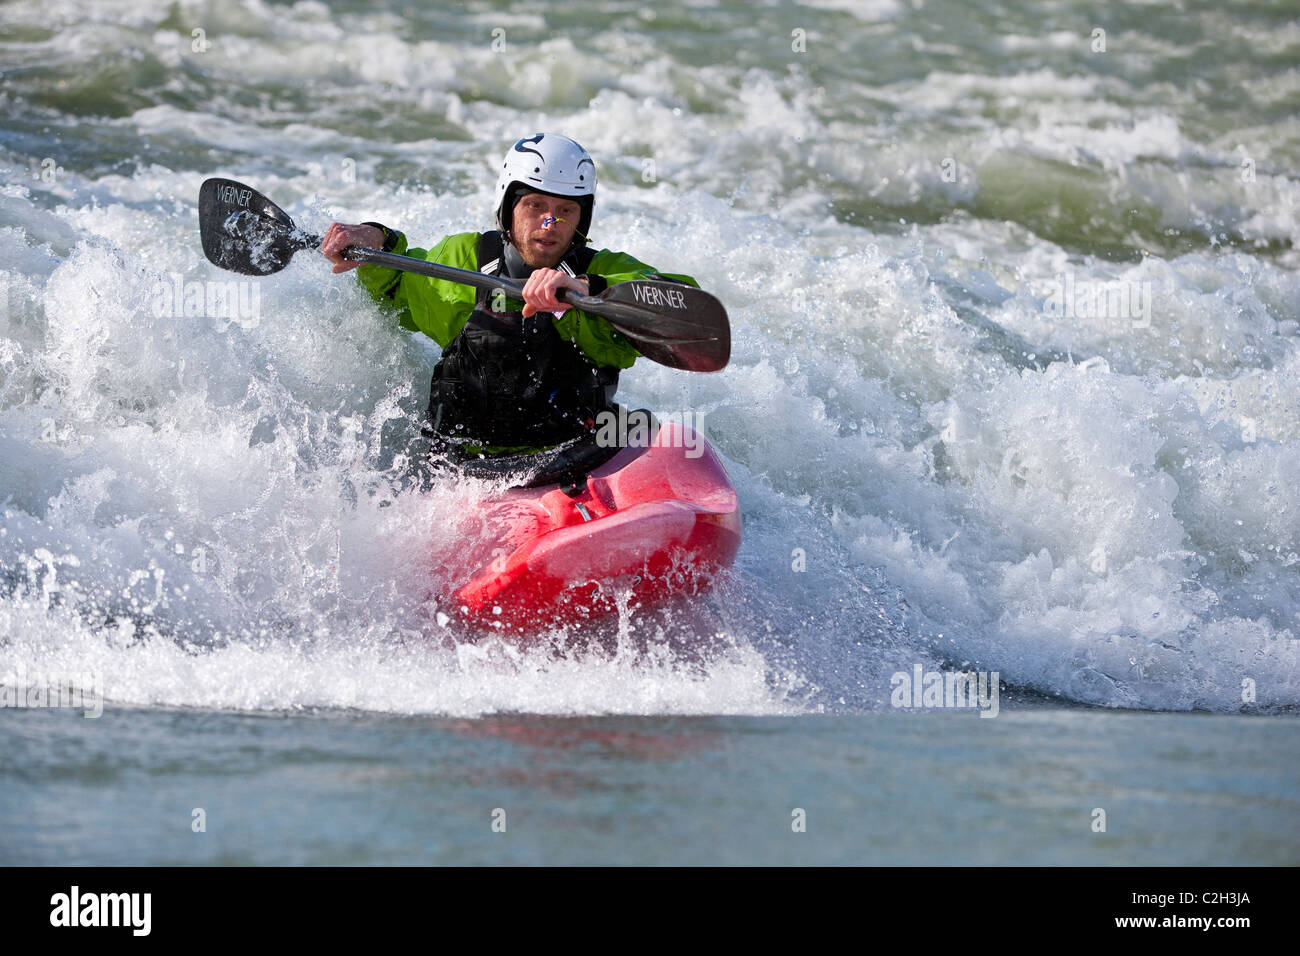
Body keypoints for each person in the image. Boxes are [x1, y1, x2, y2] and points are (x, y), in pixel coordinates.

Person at [320, 133, 698, 482]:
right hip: (467, 473)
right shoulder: (465, 261)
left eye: (566, 210)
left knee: (665, 437)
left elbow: (682, 308)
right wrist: (377, 239)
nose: (550, 222)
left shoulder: (605, 273)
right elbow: (397, 286)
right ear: (508, 206)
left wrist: (587, 289)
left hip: (585, 458)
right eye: (535, 205)